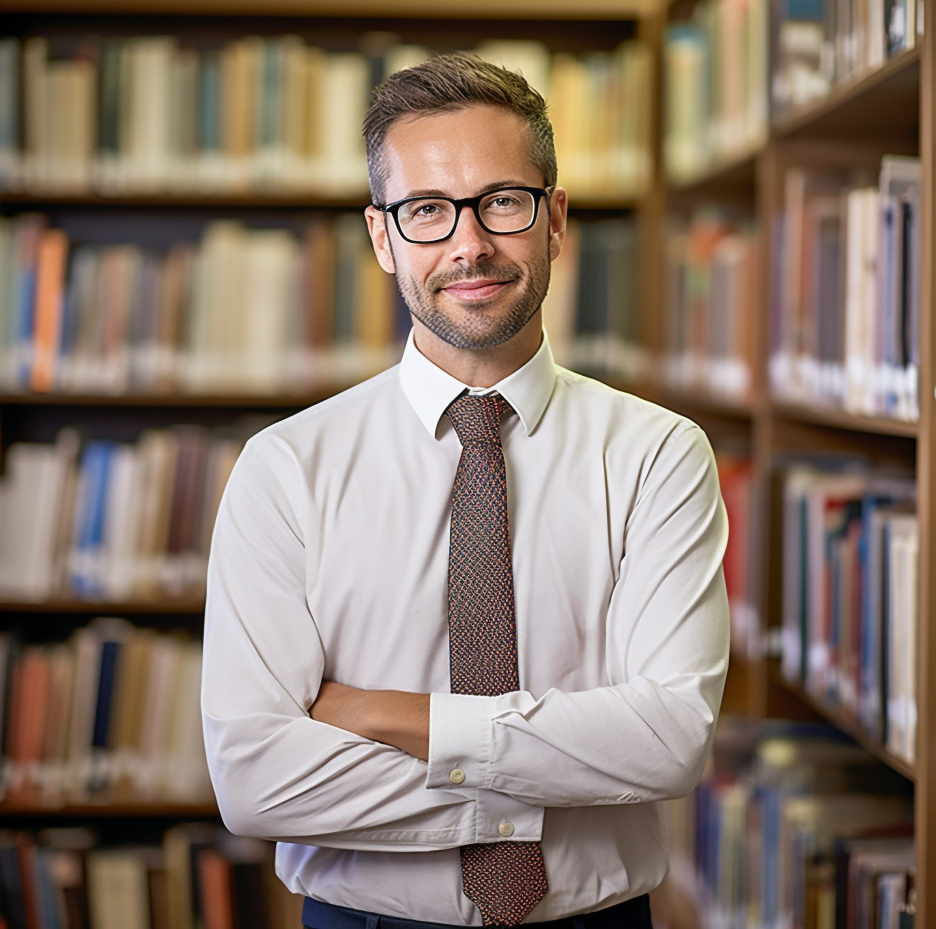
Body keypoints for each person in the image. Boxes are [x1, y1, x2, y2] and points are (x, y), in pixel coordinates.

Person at [201, 53, 729, 929]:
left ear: (555, 220)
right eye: (428, 211)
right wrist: (550, 780)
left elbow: (671, 741)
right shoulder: (285, 468)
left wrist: (381, 716)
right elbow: (257, 782)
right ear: (382, 237)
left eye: (502, 202)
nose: (469, 243)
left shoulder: (659, 456)